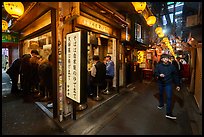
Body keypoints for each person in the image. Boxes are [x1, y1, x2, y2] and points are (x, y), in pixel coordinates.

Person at [154, 54, 181, 120]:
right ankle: (161, 104)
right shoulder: (158, 66)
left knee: (169, 97)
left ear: (168, 59)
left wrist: (178, 85)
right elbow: (155, 73)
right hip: (160, 83)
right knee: (160, 94)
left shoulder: (172, 67)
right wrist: (159, 74)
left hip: (168, 83)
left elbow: (175, 75)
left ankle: (168, 113)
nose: (165, 59)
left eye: (167, 58)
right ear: (162, 59)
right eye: (164, 58)